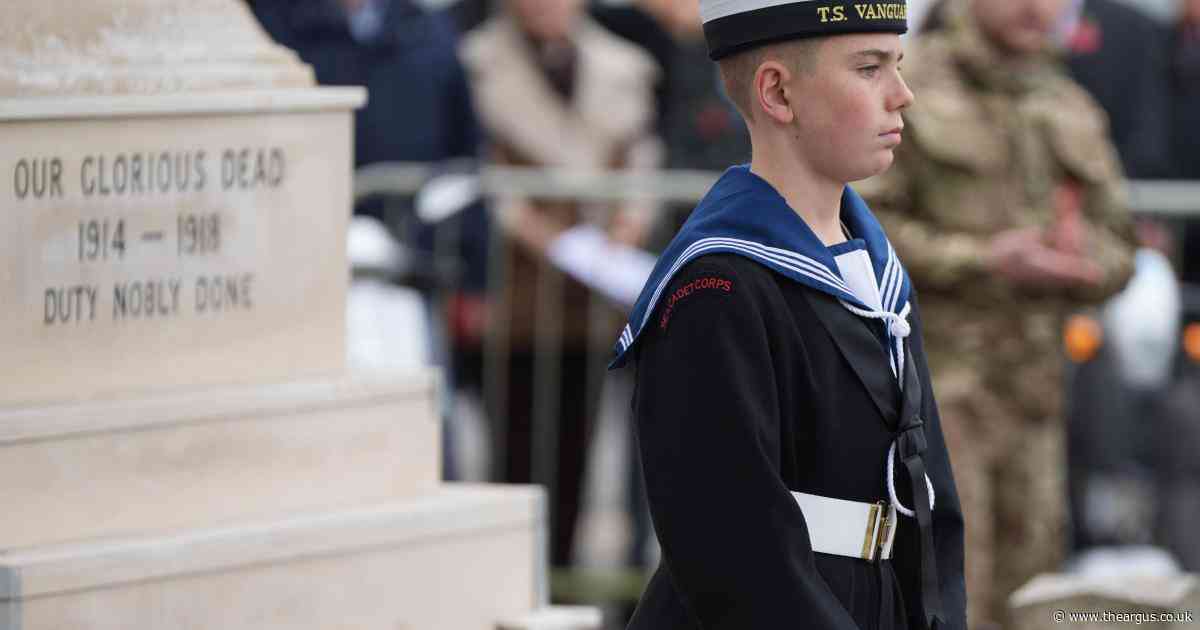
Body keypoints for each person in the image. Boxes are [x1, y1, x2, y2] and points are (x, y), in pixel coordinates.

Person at [609, 1, 967, 628]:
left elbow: (927, 490)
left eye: (898, 65)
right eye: (868, 68)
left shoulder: (875, 272)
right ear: (777, 92)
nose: (902, 95)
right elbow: (729, 544)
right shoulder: (717, 286)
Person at [857, 0, 1136, 627]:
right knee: (947, 586)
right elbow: (865, 229)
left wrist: (1083, 260)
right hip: (934, 394)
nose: (1038, 8)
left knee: (1033, 595)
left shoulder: (1069, 105)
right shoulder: (906, 86)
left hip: (1036, 398)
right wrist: (986, 260)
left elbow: (1121, 242)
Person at [457, 0, 660, 569]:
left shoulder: (623, 66)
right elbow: (481, 173)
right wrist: (544, 236)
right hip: (516, 305)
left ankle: (560, 581)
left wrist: (628, 222)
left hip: (592, 307)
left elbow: (642, 161)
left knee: (576, 452)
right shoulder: (476, 64)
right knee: (514, 459)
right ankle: (507, 582)